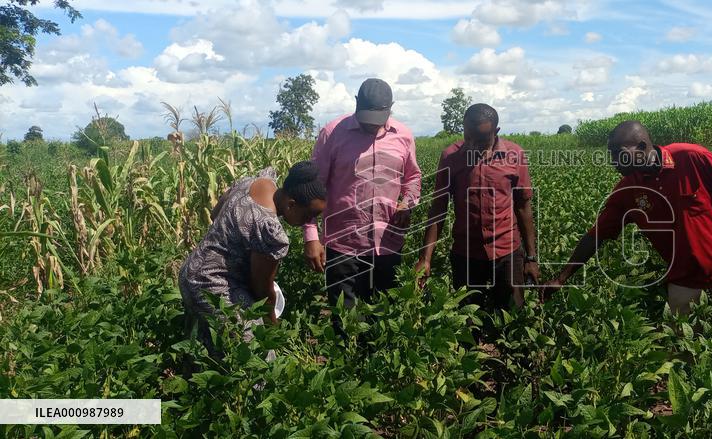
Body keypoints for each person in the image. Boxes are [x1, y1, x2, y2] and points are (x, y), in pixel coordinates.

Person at [541, 120, 712, 318]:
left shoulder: (690, 157)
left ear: (641, 147)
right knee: (684, 344)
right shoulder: (627, 189)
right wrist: (561, 278)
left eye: (618, 154)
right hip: (682, 275)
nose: (613, 162)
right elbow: (596, 235)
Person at [415, 103, 540, 339]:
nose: (472, 146)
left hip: (507, 252)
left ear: (496, 131)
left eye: (480, 141)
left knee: (513, 321)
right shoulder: (451, 157)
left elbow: (523, 207)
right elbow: (438, 209)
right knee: (468, 326)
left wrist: (531, 257)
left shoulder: (514, 156)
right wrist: (425, 258)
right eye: (468, 137)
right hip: (466, 253)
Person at [179, 161, 327, 359]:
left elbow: (215, 214)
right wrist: (272, 328)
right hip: (212, 286)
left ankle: (194, 385)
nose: (308, 222)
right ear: (291, 205)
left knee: (204, 347)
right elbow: (261, 291)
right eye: (309, 215)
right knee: (256, 352)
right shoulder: (270, 231)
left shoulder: (255, 182)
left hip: (192, 272)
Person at [303, 78, 421, 320]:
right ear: (356, 103)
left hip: (388, 242)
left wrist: (407, 203)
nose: (370, 126)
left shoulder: (404, 136)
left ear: (391, 108)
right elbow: (314, 189)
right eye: (366, 118)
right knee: (346, 321)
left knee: (385, 318)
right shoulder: (333, 133)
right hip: (343, 245)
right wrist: (311, 236)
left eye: (377, 119)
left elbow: (413, 177)